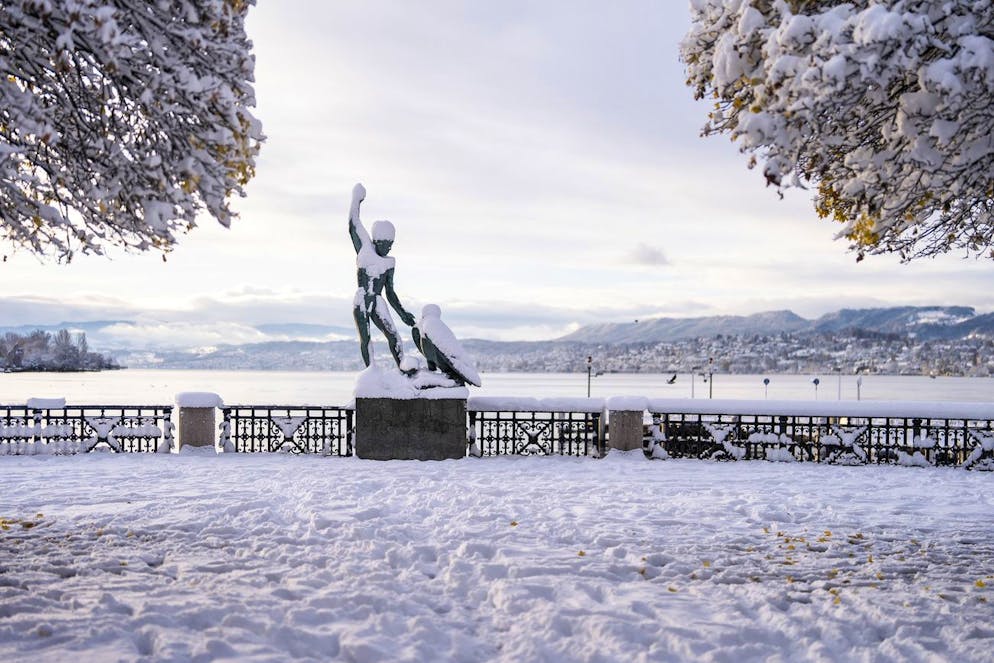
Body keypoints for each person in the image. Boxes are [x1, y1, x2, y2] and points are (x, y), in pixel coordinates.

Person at [349, 183, 417, 370]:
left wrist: (403, 314)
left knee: (393, 335)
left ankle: (403, 369)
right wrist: (356, 200)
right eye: (386, 244)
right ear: (377, 240)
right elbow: (353, 224)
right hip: (362, 299)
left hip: (378, 300)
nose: (389, 248)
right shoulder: (365, 249)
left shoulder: (389, 263)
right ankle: (370, 372)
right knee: (366, 338)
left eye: (391, 244)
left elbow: (391, 293)